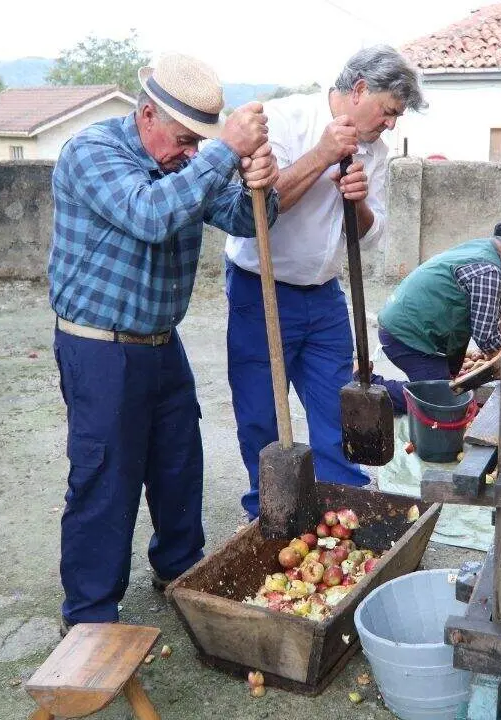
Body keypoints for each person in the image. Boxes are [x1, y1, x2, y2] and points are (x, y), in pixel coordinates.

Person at [48, 52, 279, 632]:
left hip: (160, 341)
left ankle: (179, 569)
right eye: (182, 139)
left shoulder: (186, 159)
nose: (189, 153)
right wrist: (225, 151)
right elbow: (149, 215)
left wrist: (261, 185)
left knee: (179, 463)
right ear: (146, 115)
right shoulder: (91, 152)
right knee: (105, 477)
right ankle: (91, 613)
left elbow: (245, 220)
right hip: (99, 346)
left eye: (198, 143)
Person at [224, 45, 426, 519]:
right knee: (261, 414)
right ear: (359, 90)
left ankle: (344, 509)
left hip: (325, 295)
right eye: (389, 111)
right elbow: (259, 208)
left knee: (342, 405)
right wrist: (323, 155)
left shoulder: (374, 150)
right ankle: (270, 513)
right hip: (263, 290)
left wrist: (356, 204)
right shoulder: (283, 121)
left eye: (397, 116)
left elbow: (370, 236)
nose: (391, 124)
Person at [370, 223, 501, 412]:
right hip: (408, 337)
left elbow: (491, 311)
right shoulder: (489, 270)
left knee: (449, 385)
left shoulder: (481, 250)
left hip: (412, 329)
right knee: (442, 403)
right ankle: (369, 387)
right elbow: (485, 337)